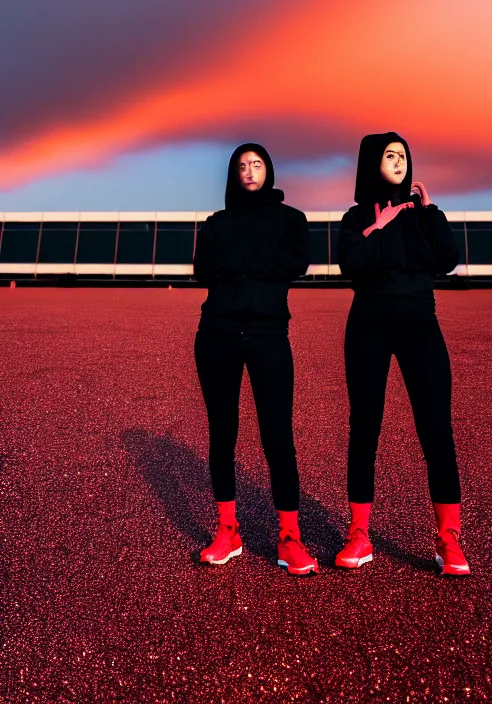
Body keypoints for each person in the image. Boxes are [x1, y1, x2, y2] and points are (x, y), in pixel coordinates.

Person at [336, 132, 470, 576]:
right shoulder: (356, 217)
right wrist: (379, 225)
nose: (398, 161)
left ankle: (448, 539)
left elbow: (446, 258)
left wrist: (430, 213)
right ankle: (359, 535)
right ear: (372, 162)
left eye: (403, 155)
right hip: (368, 325)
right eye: (389, 155)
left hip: (420, 325)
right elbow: (352, 263)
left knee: (436, 430)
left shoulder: (424, 216)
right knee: (365, 428)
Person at [193, 142, 318, 575]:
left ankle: (289, 538)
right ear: (233, 173)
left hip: (268, 336)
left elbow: (296, 261)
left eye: (257, 164)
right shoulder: (216, 222)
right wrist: (259, 264)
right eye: (242, 165)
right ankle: (228, 531)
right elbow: (202, 269)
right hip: (217, 335)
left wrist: (238, 263)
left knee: (278, 437)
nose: (249, 171)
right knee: (222, 433)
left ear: (270, 170)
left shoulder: (291, 220)